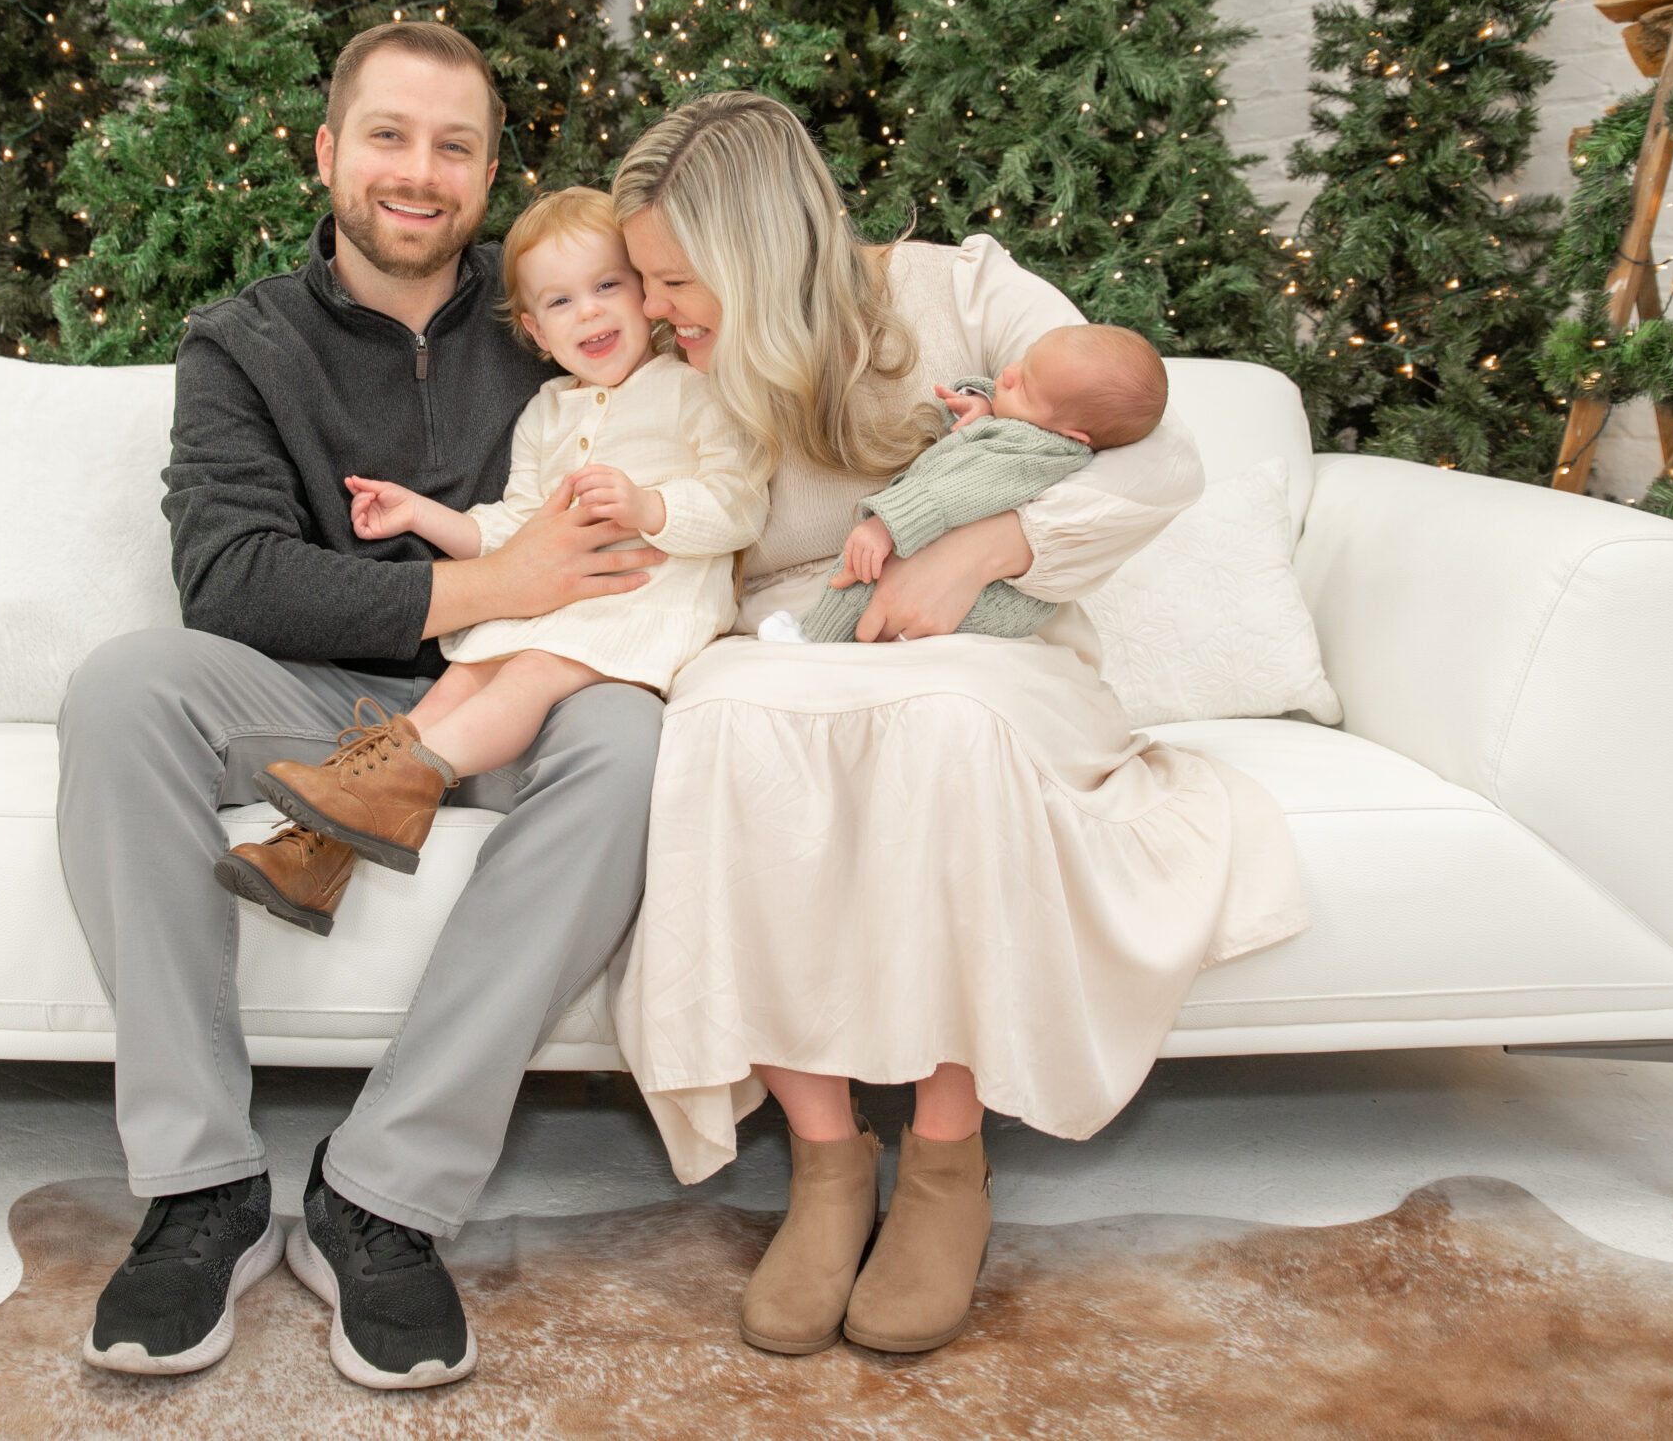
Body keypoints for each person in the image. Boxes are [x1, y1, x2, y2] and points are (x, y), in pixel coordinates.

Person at [608, 92, 1308, 1359]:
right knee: (720, 728)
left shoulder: (962, 291)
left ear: (760, 249)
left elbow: (1161, 456)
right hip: (791, 639)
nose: (655, 306)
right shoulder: (682, 370)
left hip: (995, 637)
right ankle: (825, 1163)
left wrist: (989, 542)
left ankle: (945, 1160)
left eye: (672, 278)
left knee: (943, 719)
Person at [57, 23, 666, 1392]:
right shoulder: (243, 341)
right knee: (123, 686)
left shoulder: (561, 331)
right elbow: (229, 580)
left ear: (489, 172)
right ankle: (201, 1182)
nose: (419, 170)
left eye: (455, 144)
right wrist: (496, 574)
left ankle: (382, 1189)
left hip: (517, 691)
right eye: (389, 135)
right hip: (314, 689)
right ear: (330, 153)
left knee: (632, 738)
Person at [226, 186, 766, 930]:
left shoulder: (692, 391)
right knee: (458, 681)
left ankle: (395, 785)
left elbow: (742, 503)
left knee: (534, 670)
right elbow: (512, 527)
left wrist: (652, 508)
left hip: (643, 599)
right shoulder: (546, 411)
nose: (591, 312)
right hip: (551, 604)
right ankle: (315, 853)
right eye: (562, 301)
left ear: (646, 295)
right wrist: (423, 514)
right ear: (537, 332)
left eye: (608, 285)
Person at [785, 323, 1168, 644]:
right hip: (987, 598)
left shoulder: (1026, 451)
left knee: (860, 581)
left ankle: (811, 643)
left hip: (954, 570)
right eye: (1024, 359)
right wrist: (987, 407)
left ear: (1072, 432)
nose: (1009, 374)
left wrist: (885, 524)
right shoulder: (1046, 442)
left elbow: (953, 491)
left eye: (1025, 388)